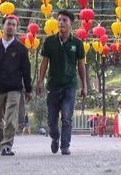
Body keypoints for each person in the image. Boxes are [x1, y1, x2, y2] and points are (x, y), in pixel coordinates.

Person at [37, 10, 87, 156]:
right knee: (52, 120)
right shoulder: (49, 41)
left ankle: (65, 145)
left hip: (70, 86)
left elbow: (81, 65)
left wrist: (84, 85)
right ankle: (55, 137)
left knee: (67, 116)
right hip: (53, 85)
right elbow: (44, 62)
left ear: (71, 23)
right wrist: (40, 81)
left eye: (64, 20)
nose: (61, 23)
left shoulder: (77, 43)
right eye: (59, 20)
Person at [0, 15, 32, 156]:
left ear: (16, 28)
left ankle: (7, 146)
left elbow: (26, 70)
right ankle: (3, 142)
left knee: (10, 118)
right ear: (2, 26)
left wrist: (28, 89)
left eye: (14, 25)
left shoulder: (21, 48)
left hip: (15, 88)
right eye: (8, 24)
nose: (11, 27)